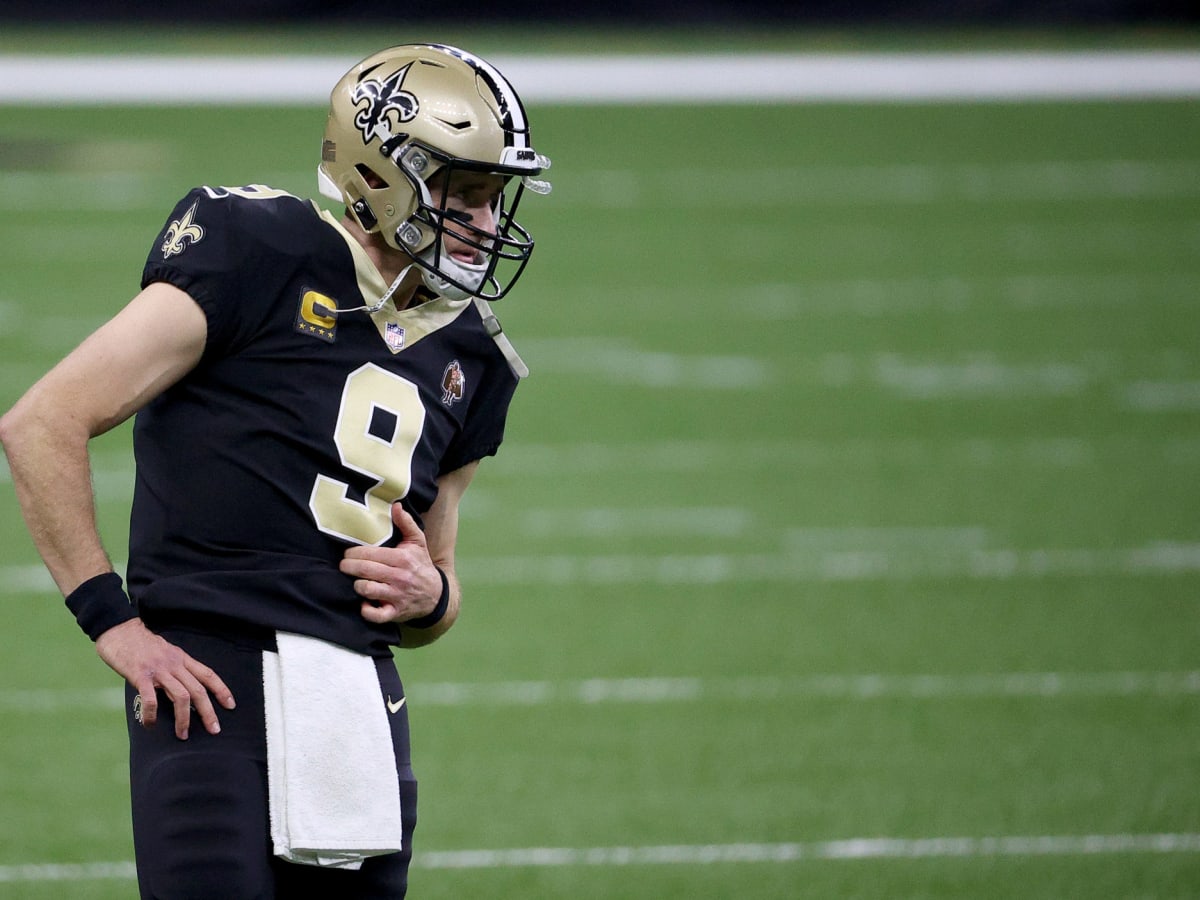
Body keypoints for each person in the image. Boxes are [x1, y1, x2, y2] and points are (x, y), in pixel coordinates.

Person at [0, 42, 550, 898]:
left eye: (492, 198)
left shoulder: (472, 355)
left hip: (359, 701)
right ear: (383, 175)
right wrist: (112, 622)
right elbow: (42, 422)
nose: (484, 221)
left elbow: (437, 583)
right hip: (208, 682)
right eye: (464, 195)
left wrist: (432, 597)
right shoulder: (256, 248)